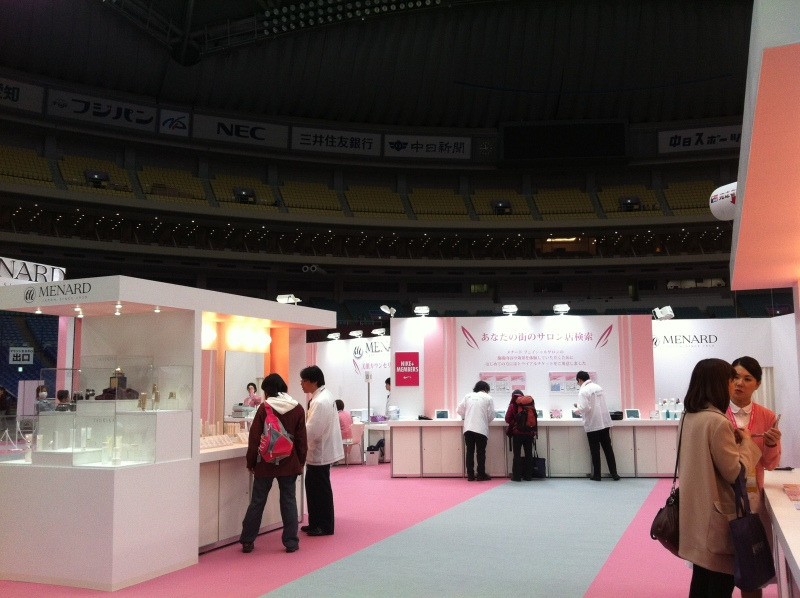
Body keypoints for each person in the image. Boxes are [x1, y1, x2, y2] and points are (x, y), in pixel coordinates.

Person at [679, 358, 762, 598]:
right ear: (719, 384)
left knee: (701, 581)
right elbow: (735, 472)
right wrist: (747, 444)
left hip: (695, 512)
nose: (735, 384)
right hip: (718, 516)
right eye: (732, 379)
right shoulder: (717, 421)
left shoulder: (688, 416)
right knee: (719, 583)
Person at [728, 356, 781, 598]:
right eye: (735, 377)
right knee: (721, 567)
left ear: (757, 384)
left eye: (747, 379)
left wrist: (771, 444)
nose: (739, 383)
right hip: (723, 498)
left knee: (752, 568)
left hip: (753, 500)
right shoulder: (717, 413)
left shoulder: (767, 416)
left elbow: (770, 464)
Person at [240, 373, 307, 554]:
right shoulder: (298, 408)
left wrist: (251, 462)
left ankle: (247, 540)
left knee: (257, 501)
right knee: (289, 500)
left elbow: (254, 438)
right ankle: (291, 542)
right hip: (290, 461)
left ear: (267, 391)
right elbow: (302, 440)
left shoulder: (265, 408)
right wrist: (300, 462)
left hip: (266, 461)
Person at [300, 365, 343, 536]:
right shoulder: (324, 396)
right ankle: (315, 522)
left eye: (304, 380)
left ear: (314, 381)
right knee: (313, 489)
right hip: (319, 450)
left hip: (320, 451)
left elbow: (312, 430)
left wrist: (298, 440)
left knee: (320, 490)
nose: (301, 384)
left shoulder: (320, 401)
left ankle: (324, 525)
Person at [573, 371, 619, 481]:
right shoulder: (598, 387)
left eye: (578, 382)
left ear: (580, 380)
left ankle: (597, 475)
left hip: (593, 424)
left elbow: (585, 408)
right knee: (608, 449)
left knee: (595, 450)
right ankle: (614, 474)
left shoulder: (583, 391)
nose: (578, 384)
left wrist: (577, 407)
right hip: (604, 422)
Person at [456, 380, 495, 481]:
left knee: (469, 451)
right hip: (481, 429)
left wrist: (468, 414)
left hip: (468, 428)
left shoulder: (468, 396)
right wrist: (484, 420)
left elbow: (459, 410)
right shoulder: (488, 397)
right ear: (486, 389)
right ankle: (481, 475)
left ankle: (470, 475)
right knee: (480, 452)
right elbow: (491, 415)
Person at [505, 389, 536, 481]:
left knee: (517, 455)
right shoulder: (529, 404)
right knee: (528, 454)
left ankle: (517, 476)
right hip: (529, 432)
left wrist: (515, 422)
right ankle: (528, 476)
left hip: (517, 433)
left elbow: (507, 419)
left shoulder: (513, 405)